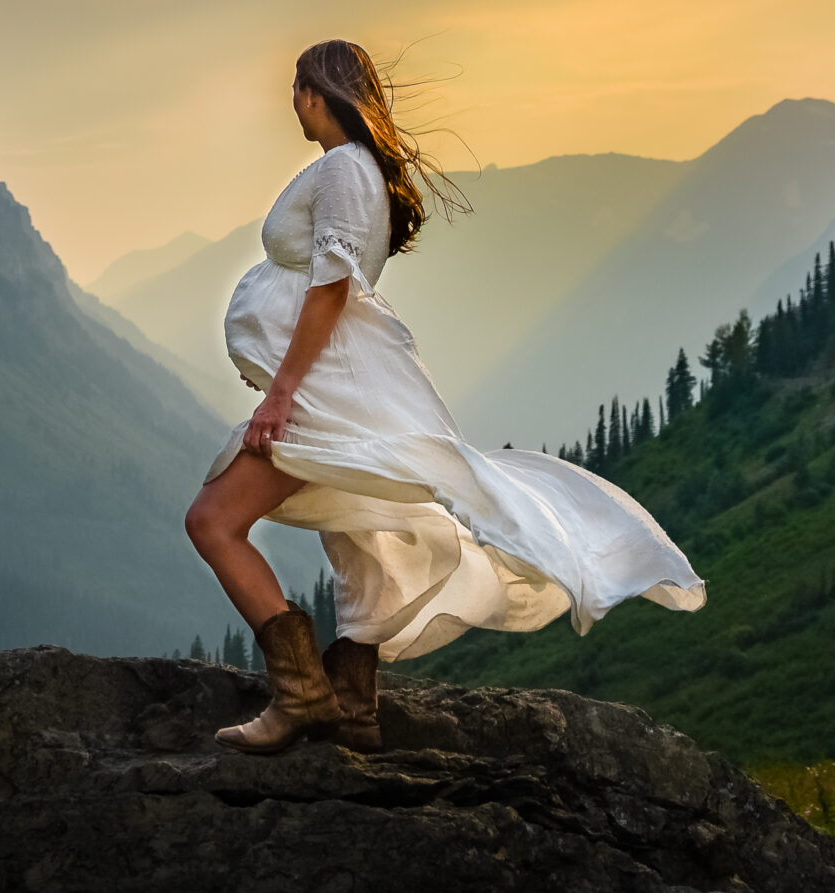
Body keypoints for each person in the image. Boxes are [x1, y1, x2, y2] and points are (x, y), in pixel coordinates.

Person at [184, 40, 706, 754]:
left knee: (212, 519)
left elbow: (332, 286)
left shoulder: (341, 167)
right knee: (359, 529)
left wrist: (280, 392)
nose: (293, 102)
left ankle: (303, 694)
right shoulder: (361, 169)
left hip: (323, 395)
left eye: (297, 87)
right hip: (337, 388)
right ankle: (356, 706)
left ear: (317, 92)